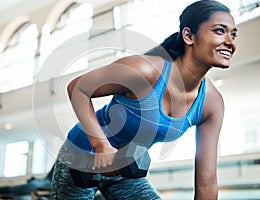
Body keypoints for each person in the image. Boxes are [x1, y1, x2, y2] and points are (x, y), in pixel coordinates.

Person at [51, 0, 238, 199]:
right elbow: (78, 88)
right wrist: (101, 146)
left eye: (234, 34)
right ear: (189, 36)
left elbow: (207, 182)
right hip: (82, 154)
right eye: (220, 31)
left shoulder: (211, 103)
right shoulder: (146, 71)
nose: (231, 42)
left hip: (126, 169)